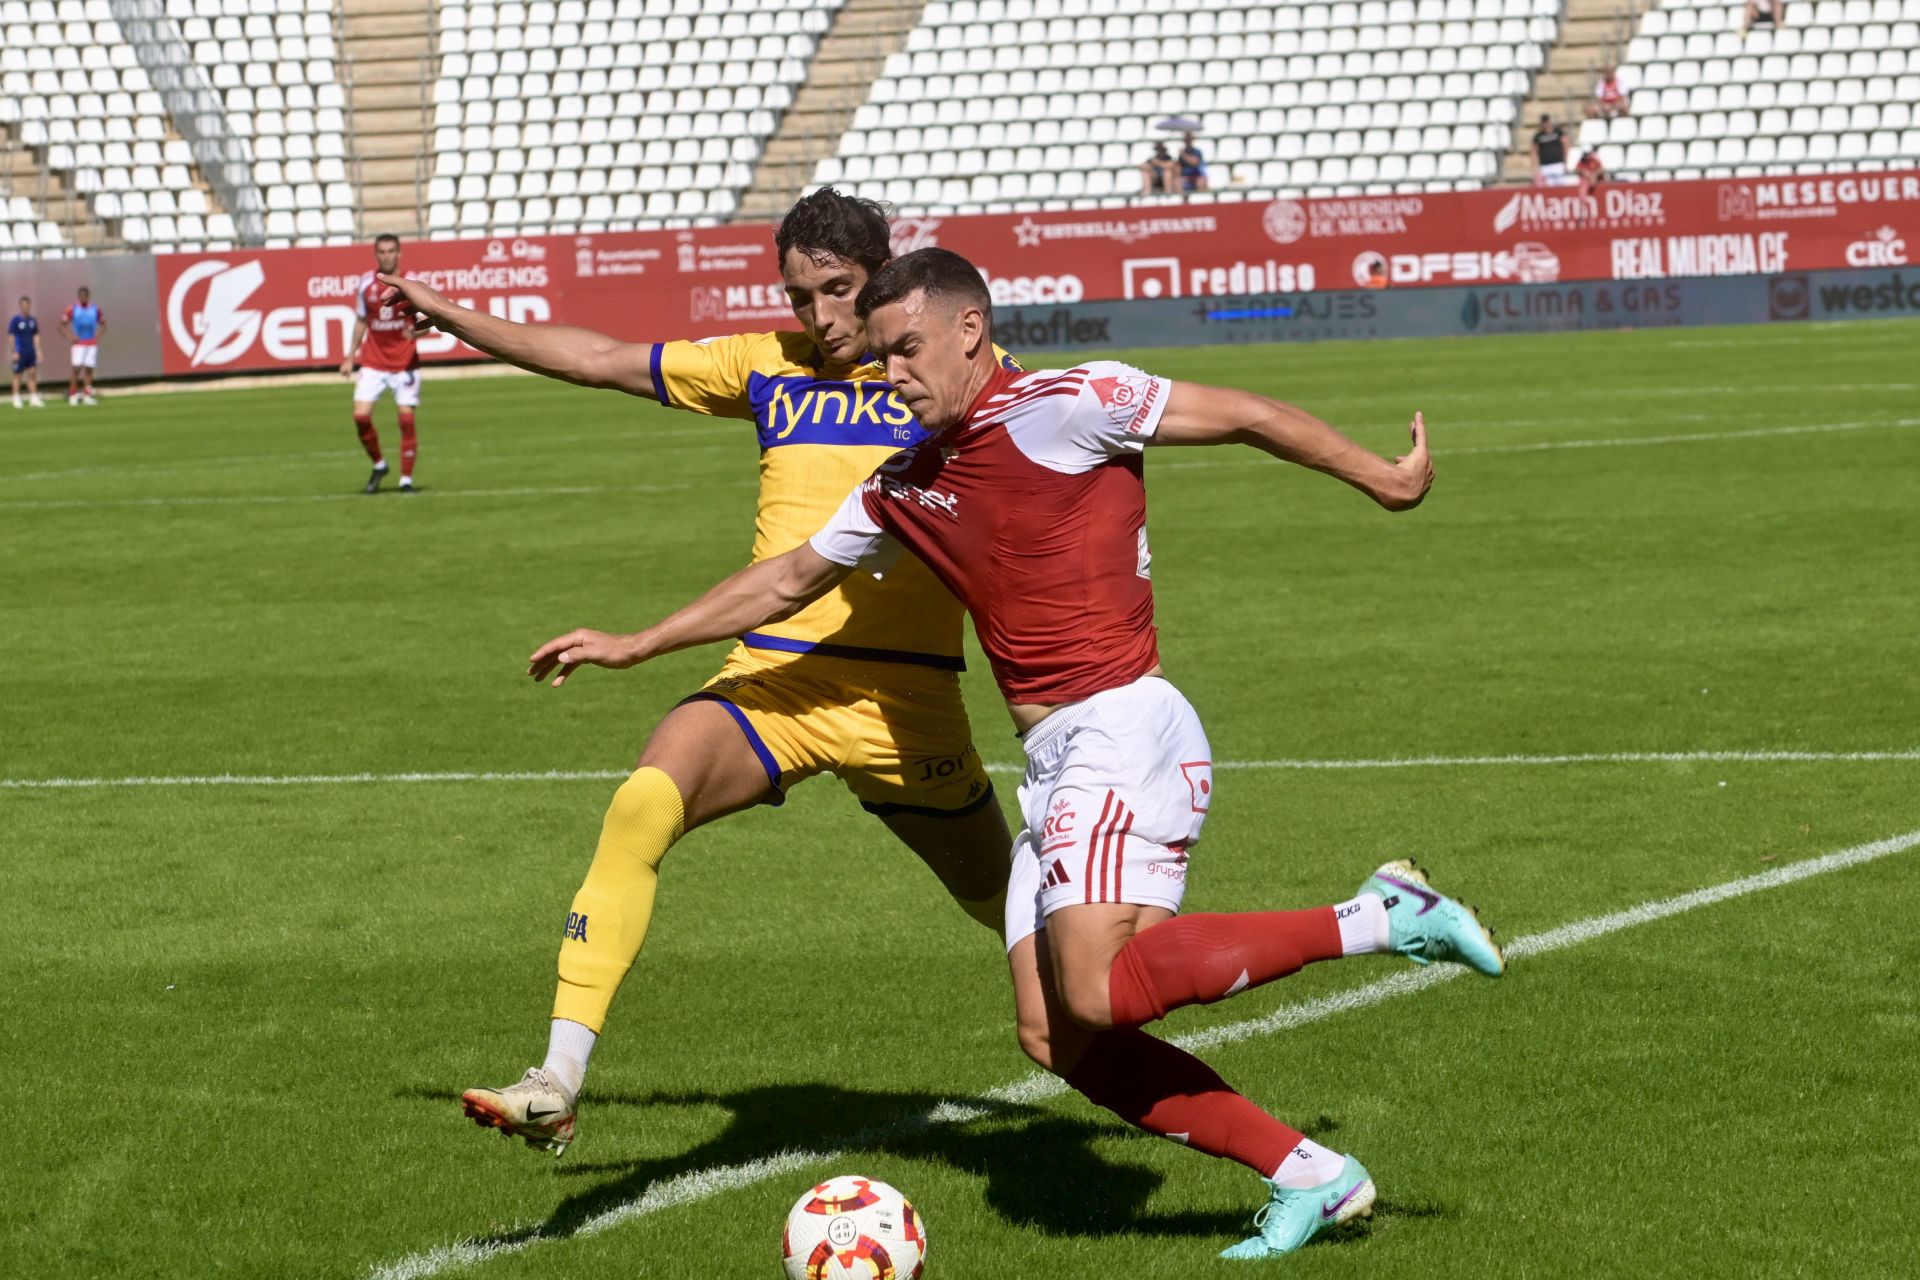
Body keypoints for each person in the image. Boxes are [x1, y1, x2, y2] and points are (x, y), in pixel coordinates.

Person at [524, 247, 1505, 1259]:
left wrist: (1380, 477)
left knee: (1096, 985)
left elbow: (1246, 412)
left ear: (968, 331)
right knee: (1058, 1034)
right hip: (1054, 757)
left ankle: (1384, 914)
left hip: (1124, 723)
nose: (889, 373)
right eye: (879, 354)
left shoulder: (1073, 403)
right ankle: (1313, 1172)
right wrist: (638, 641)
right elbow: (785, 580)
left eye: (905, 350)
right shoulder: (906, 477)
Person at [374, 191, 1023, 1156]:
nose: (821, 318)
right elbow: (595, 360)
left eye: (838, 292)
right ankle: (556, 1077)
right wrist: (452, 314)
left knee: (1013, 911)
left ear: (885, 276)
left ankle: (1143, 999)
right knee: (643, 804)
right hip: (773, 680)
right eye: (800, 297)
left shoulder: (963, 376)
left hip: (907, 702)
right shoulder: (765, 365)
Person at [340, 234, 422, 493]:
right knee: (360, 417)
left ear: (399, 253)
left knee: (406, 421)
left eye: (391, 251)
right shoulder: (366, 283)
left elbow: (430, 323)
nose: (387, 256)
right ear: (377, 255)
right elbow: (361, 321)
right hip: (373, 362)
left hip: (405, 363)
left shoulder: (413, 283)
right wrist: (350, 356)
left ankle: (406, 481)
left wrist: (415, 332)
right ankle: (379, 464)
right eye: (382, 252)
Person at [59, 285, 103, 405]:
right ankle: (72, 394)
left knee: (89, 369)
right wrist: (70, 337)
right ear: (78, 297)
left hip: (91, 343)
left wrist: (97, 336)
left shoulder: (95, 309)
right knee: (76, 369)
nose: (83, 298)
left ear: (88, 296)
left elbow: (103, 323)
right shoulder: (72, 309)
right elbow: (61, 325)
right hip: (79, 344)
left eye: (85, 296)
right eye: (81, 296)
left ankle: (87, 394)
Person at [9, 295, 45, 409]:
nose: (25, 307)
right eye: (23, 305)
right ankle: (15, 397)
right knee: (18, 375)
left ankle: (33, 397)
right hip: (20, 352)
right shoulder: (15, 320)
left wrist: (39, 351)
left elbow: (36, 335)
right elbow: (11, 336)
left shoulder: (32, 320)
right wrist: (13, 351)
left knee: (32, 374)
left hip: (31, 352)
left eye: (27, 305)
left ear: (29, 305)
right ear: (20, 306)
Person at [1532, 114, 1570, 186]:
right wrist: (1535, 169)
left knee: (1562, 187)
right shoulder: (1538, 136)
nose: (1545, 125)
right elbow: (1534, 151)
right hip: (1544, 166)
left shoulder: (1558, 132)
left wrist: (1565, 162)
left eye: (1546, 122)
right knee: (1548, 189)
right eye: (1543, 123)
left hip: (1558, 165)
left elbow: (1566, 145)